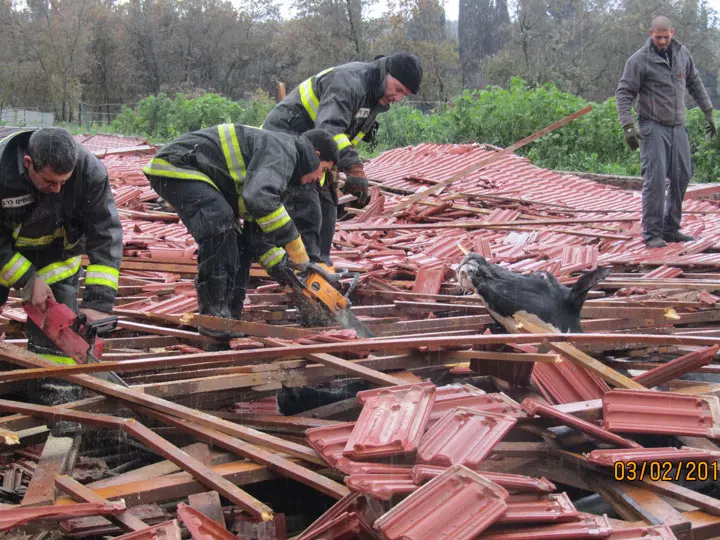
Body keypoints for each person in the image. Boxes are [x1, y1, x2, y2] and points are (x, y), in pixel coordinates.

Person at [142, 125, 338, 339]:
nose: (319, 179)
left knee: (238, 243)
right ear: (315, 155)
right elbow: (260, 199)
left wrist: (289, 276)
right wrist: (297, 251)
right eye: (324, 170)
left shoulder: (283, 178)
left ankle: (230, 316)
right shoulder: (284, 150)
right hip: (178, 164)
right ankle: (213, 317)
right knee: (219, 222)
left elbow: (256, 240)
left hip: (200, 175)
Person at [0, 127, 123, 435]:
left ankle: (58, 406)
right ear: (28, 162)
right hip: (5, 256)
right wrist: (27, 280)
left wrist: (98, 303)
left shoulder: (90, 173)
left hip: (57, 259)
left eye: (63, 183)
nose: (57, 189)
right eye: (50, 181)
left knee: (58, 337)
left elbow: (105, 235)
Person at [262, 53, 423, 266]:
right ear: (387, 73)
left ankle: (319, 267)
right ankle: (300, 268)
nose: (399, 98)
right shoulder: (349, 82)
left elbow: (342, 137)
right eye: (399, 89)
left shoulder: (373, 95)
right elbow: (329, 129)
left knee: (328, 204)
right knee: (305, 203)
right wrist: (354, 167)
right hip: (285, 139)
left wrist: (337, 169)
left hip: (315, 149)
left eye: (405, 94)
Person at [616, 15, 716, 248]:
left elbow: (694, 82)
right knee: (656, 180)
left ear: (672, 32)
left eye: (666, 36)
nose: (662, 41)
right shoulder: (639, 61)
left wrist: (708, 111)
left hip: (677, 126)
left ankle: (671, 229)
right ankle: (652, 233)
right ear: (651, 34)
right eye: (658, 37)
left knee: (682, 176)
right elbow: (624, 94)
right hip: (652, 126)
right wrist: (628, 126)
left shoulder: (682, 54)